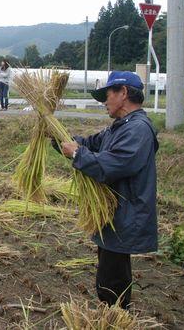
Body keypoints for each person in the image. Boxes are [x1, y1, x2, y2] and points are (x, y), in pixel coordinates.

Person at [58, 71, 159, 309]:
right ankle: (115, 314)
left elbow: (114, 164)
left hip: (126, 214)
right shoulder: (119, 127)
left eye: (107, 95)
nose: (104, 102)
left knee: (112, 279)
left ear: (123, 93)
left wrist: (76, 154)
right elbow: (89, 144)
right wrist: (57, 136)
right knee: (110, 274)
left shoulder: (138, 129)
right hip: (114, 214)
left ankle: (116, 319)